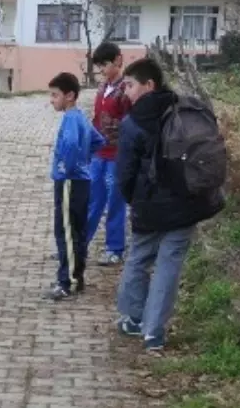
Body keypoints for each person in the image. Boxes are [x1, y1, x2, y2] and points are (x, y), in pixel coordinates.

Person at [115, 58, 223, 353]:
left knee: (138, 258)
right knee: (169, 265)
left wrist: (133, 199)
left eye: (130, 85)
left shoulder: (134, 121)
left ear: (148, 85)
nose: (126, 92)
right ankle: (154, 333)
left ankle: (134, 318)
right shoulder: (184, 107)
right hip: (187, 202)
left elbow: (124, 173)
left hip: (149, 206)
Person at [46, 72, 106, 301]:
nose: (52, 100)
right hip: (82, 181)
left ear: (69, 95)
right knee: (77, 231)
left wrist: (66, 166)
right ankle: (76, 276)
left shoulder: (71, 118)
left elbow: (71, 144)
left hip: (69, 182)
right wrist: (84, 159)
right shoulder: (81, 118)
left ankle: (68, 281)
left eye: (55, 95)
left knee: (67, 232)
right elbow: (98, 141)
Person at [86, 42, 132, 266]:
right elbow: (96, 118)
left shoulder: (127, 89)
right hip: (99, 154)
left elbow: (131, 122)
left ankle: (115, 248)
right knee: (93, 199)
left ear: (118, 61)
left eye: (105, 64)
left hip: (118, 156)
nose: (102, 70)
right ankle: (79, 243)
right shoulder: (103, 88)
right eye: (99, 66)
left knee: (115, 201)